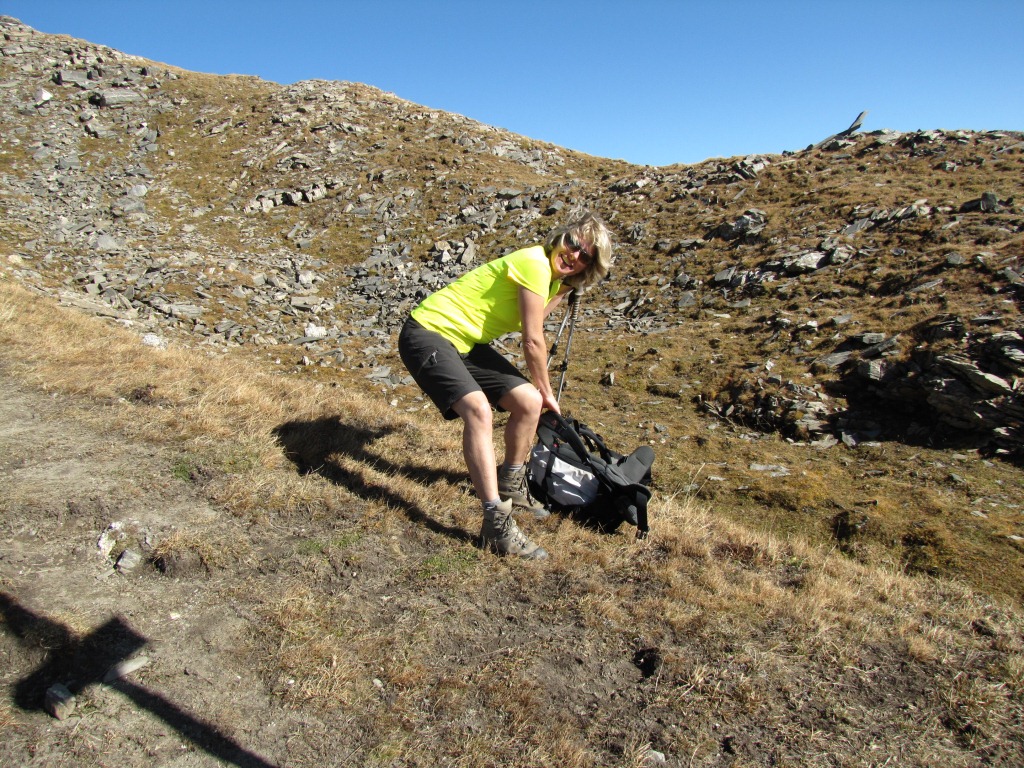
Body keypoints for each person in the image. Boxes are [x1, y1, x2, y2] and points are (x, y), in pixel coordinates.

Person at [398, 212, 613, 560]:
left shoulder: (551, 280)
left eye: (585, 256)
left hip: (465, 343)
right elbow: (532, 340)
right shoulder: (535, 263)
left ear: (589, 267)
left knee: (528, 402)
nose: (574, 254)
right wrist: (548, 391)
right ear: (560, 237)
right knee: (478, 411)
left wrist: (564, 288)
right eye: (573, 243)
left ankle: (511, 484)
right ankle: (496, 523)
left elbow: (535, 317)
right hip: (428, 331)